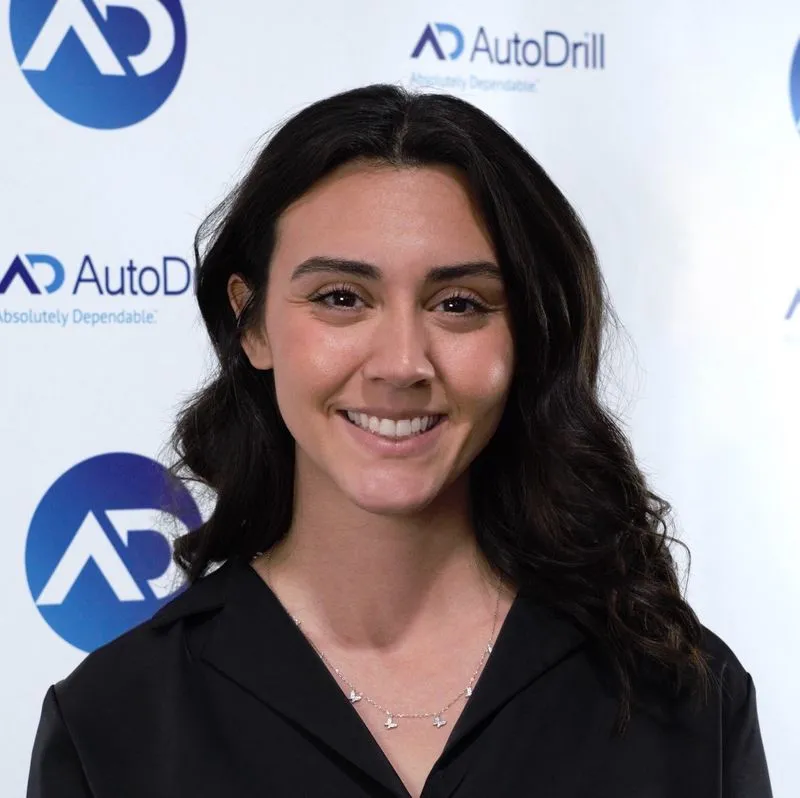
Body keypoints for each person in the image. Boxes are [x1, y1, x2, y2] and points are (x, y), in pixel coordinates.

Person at [26, 84, 772, 798]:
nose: (403, 363)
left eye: (459, 304)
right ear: (252, 323)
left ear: (527, 335)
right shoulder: (113, 723)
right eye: (341, 298)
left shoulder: (683, 697)